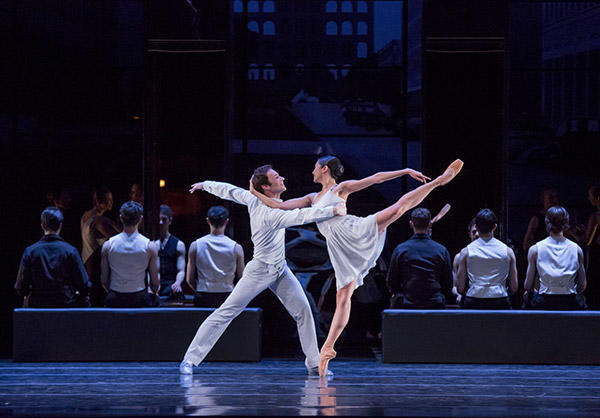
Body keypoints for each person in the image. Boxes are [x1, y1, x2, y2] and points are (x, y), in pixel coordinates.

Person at [250, 156, 463, 376]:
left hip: (355, 230)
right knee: (343, 298)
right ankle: (328, 348)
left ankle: (438, 181)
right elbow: (281, 205)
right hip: (340, 250)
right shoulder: (312, 198)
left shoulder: (340, 189)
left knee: (397, 210)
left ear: (324, 169)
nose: (312, 171)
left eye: (315, 167)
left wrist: (405, 171)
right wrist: (253, 192)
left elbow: (375, 179)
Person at [179, 165, 346, 376]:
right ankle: (189, 360)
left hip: (280, 269)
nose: (283, 177)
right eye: (277, 177)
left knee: (303, 311)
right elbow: (301, 216)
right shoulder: (270, 214)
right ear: (267, 187)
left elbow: (230, 191)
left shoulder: (256, 199)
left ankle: (314, 363)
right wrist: (332, 210)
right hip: (260, 270)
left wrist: (205, 185)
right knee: (226, 312)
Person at [15, 207, 90, 308]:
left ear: (42, 226)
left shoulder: (30, 252)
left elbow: (20, 288)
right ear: (60, 226)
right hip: (66, 307)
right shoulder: (70, 251)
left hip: (37, 309)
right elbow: (84, 285)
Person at [387, 208, 453, 309]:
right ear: (430, 224)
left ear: (411, 224)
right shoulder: (441, 250)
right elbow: (448, 283)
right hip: (435, 304)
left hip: (407, 305)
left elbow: (392, 280)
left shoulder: (401, 249)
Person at [524, 206, 587, 310]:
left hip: (544, 301)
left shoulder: (535, 249)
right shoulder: (577, 250)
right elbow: (582, 286)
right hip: (570, 301)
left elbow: (527, 286)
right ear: (566, 222)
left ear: (547, 222)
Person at [100, 201, 160, 307]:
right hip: (140, 299)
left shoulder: (108, 246)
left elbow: (104, 280)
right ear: (140, 219)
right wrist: (153, 292)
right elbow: (155, 283)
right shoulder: (149, 246)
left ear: (121, 218)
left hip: (114, 298)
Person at [456, 209, 518, 309]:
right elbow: (514, 288)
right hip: (500, 300)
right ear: (495, 227)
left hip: (473, 300)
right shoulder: (508, 251)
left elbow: (460, 288)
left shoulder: (466, 252)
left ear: (476, 226)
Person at [187, 205, 245, 307]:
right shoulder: (236, 248)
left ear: (208, 221)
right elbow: (242, 278)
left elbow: (190, 279)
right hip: (227, 295)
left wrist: (201, 288)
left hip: (203, 295)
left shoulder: (195, 245)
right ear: (226, 221)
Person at [80, 187, 121, 306]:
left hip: (87, 265)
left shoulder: (86, 216)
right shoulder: (98, 221)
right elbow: (121, 239)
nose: (111, 203)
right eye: (108, 200)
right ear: (98, 202)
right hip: (96, 268)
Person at [153, 204, 186, 302]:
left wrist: (177, 283)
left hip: (171, 284)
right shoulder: (153, 244)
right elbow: (155, 270)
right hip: (157, 284)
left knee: (175, 293)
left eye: (164, 219)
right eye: (158, 219)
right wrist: (154, 284)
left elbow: (181, 270)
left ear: (170, 220)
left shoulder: (178, 244)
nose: (160, 222)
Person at [522, 187, 559, 252]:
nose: (555, 201)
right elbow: (526, 245)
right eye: (551, 198)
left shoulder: (560, 219)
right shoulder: (536, 219)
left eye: (556, 197)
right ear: (543, 200)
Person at [585, 184, 600, 309]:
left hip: (597, 257)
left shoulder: (596, 217)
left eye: (590, 196)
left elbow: (588, 241)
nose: (589, 199)